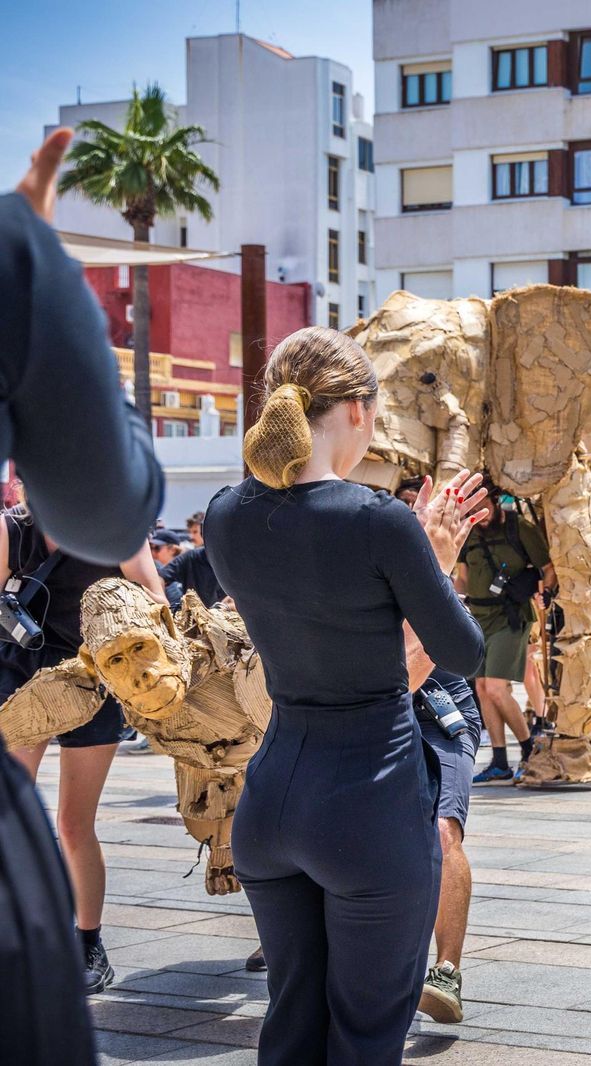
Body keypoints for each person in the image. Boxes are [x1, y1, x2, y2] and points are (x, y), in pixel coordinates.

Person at [205, 326, 486, 1066]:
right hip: (369, 801)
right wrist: (435, 555)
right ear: (359, 413)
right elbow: (464, 651)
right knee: (364, 1039)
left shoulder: (226, 514)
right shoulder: (382, 521)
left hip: (269, 804)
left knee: (291, 1028)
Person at [0, 129, 165, 1066]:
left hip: (84, 677)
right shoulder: (11, 253)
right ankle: (77, 948)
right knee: (42, 816)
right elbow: (110, 509)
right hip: (37, 672)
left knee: (69, 819)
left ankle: (89, 941)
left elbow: (133, 562)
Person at [2, 506, 168, 994]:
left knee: (75, 824)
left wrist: (129, 618)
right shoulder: (14, 530)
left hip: (94, 679)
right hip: (19, 675)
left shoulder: (117, 529)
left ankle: (87, 943)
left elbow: (155, 601)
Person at [459, 491, 548, 783]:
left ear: (494, 502)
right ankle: (499, 761)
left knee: (497, 688)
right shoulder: (468, 533)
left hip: (511, 616)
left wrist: (543, 594)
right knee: (483, 689)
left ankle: (528, 749)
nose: (479, 513)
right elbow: (462, 578)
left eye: (482, 506)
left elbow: (547, 570)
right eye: (473, 507)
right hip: (479, 618)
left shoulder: (518, 527)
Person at [413, 667, 481, 1024]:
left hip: (434, 711)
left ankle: (447, 972)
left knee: (442, 830)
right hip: (362, 710)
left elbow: (412, 660)